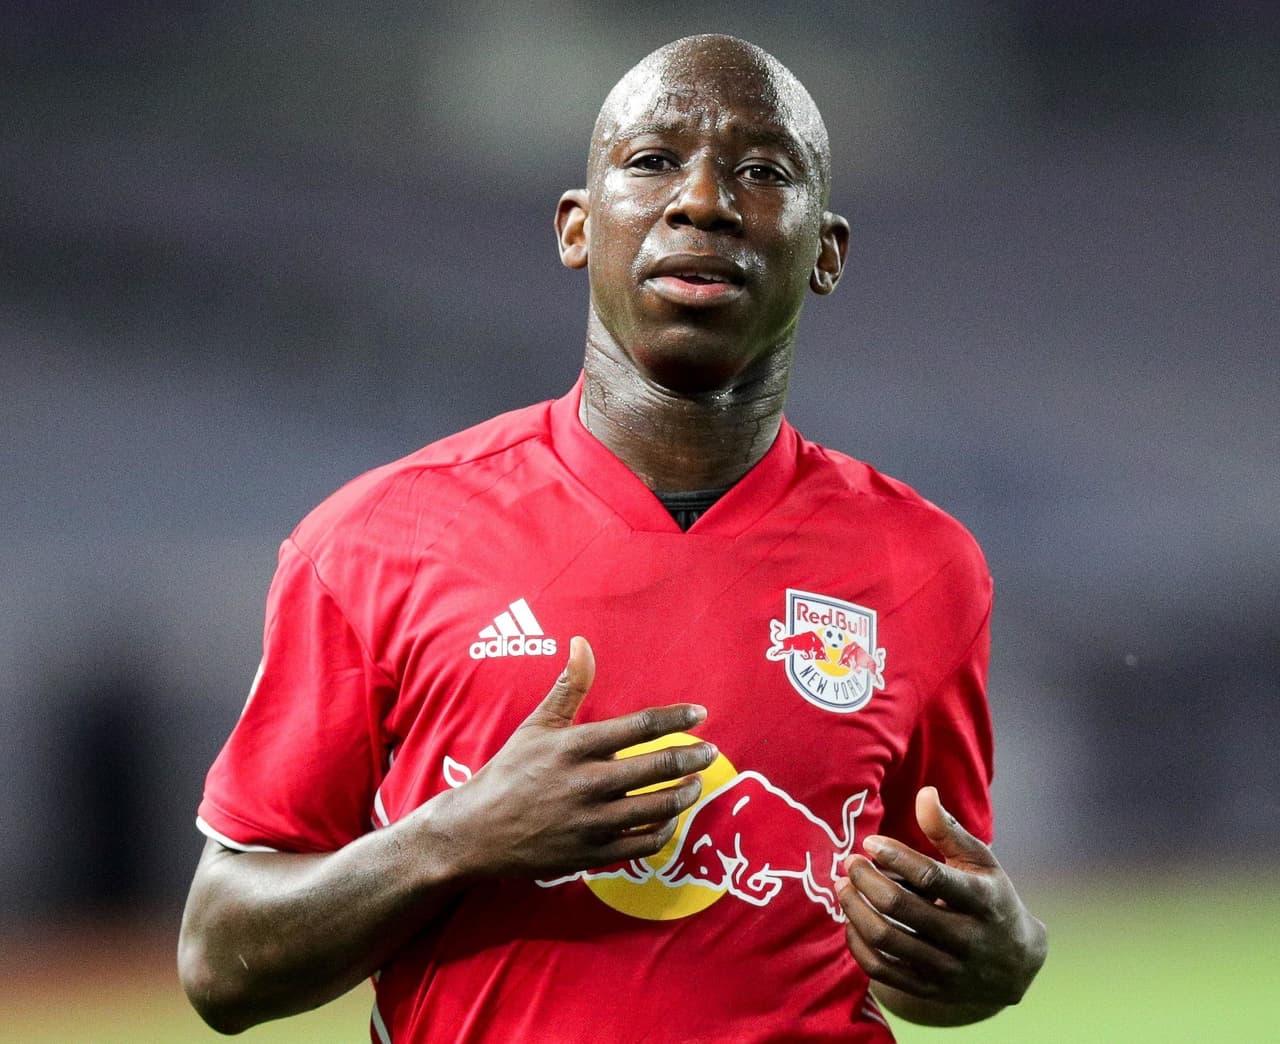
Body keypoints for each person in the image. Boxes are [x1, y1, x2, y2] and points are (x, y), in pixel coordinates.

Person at [178, 34, 1046, 1042]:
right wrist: (454, 837)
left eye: (762, 171)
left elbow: (924, 949)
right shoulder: (374, 540)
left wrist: (1003, 957)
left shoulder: (921, 564)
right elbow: (219, 965)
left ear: (827, 253)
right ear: (576, 229)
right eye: (651, 162)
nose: (704, 202)